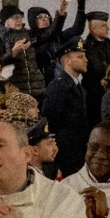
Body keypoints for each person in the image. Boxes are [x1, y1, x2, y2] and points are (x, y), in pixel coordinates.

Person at [40, 35, 90, 176]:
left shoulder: (77, 86)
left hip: (78, 151)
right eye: (80, 56)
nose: (86, 60)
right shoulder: (59, 86)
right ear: (67, 60)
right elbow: (51, 121)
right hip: (66, 153)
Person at [27, 0, 87, 86]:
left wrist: (81, 7)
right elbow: (50, 33)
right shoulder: (31, 37)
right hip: (41, 82)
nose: (44, 19)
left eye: (46, 16)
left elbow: (77, 29)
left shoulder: (57, 36)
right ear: (33, 21)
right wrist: (60, 13)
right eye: (40, 17)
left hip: (59, 77)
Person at [0, 4, 46, 101]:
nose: (19, 20)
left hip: (36, 89)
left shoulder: (27, 34)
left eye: (20, 17)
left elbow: (50, 34)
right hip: (16, 91)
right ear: (6, 21)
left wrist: (60, 15)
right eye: (15, 18)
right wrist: (13, 52)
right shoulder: (0, 38)